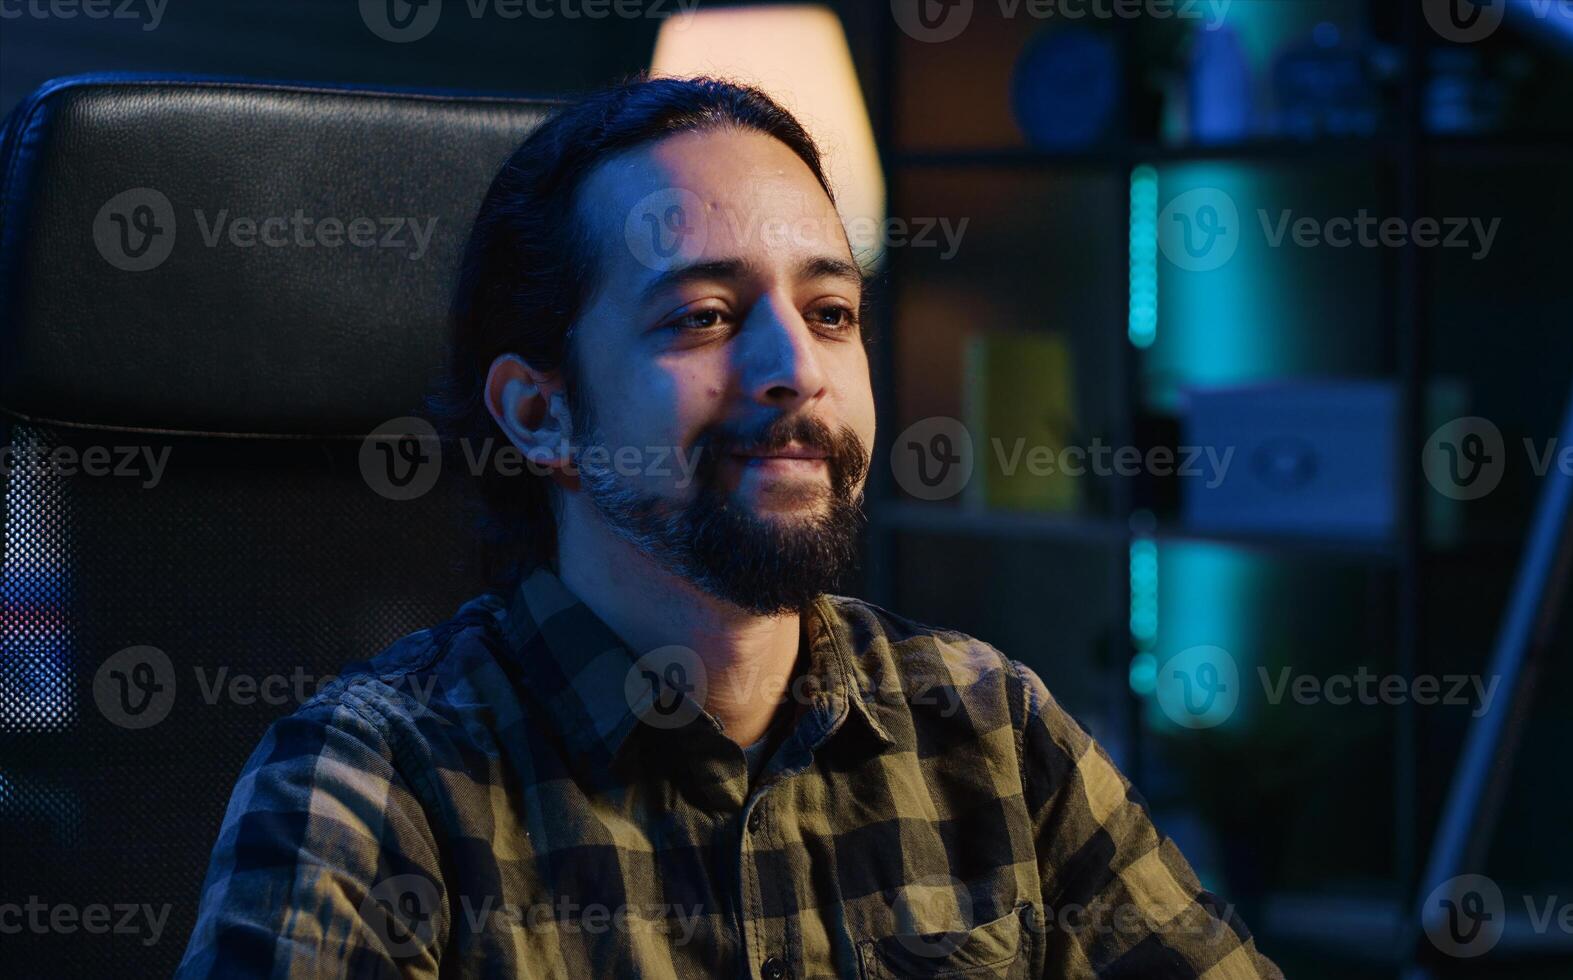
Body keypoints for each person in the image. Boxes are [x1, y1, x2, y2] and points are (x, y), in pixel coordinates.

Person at [176, 74, 1281, 979]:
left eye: (831, 312)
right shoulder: (379, 785)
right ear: (541, 411)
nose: (793, 367)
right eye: (705, 316)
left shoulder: (991, 728)